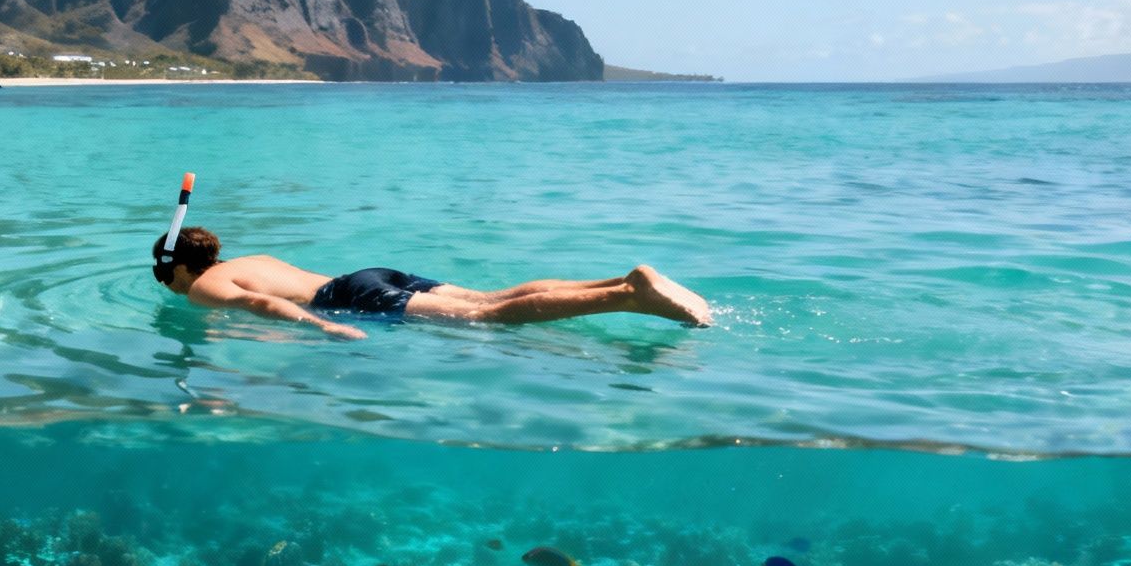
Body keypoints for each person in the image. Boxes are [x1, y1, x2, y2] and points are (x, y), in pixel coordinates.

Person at [151, 227, 711, 340]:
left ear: (178, 268)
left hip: (350, 299)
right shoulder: (255, 254)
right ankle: (624, 277)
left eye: (164, 276)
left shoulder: (204, 288)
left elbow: (256, 303)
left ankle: (626, 296)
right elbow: (265, 286)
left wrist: (325, 329)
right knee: (492, 295)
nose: (168, 286)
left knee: (487, 320)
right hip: (370, 274)